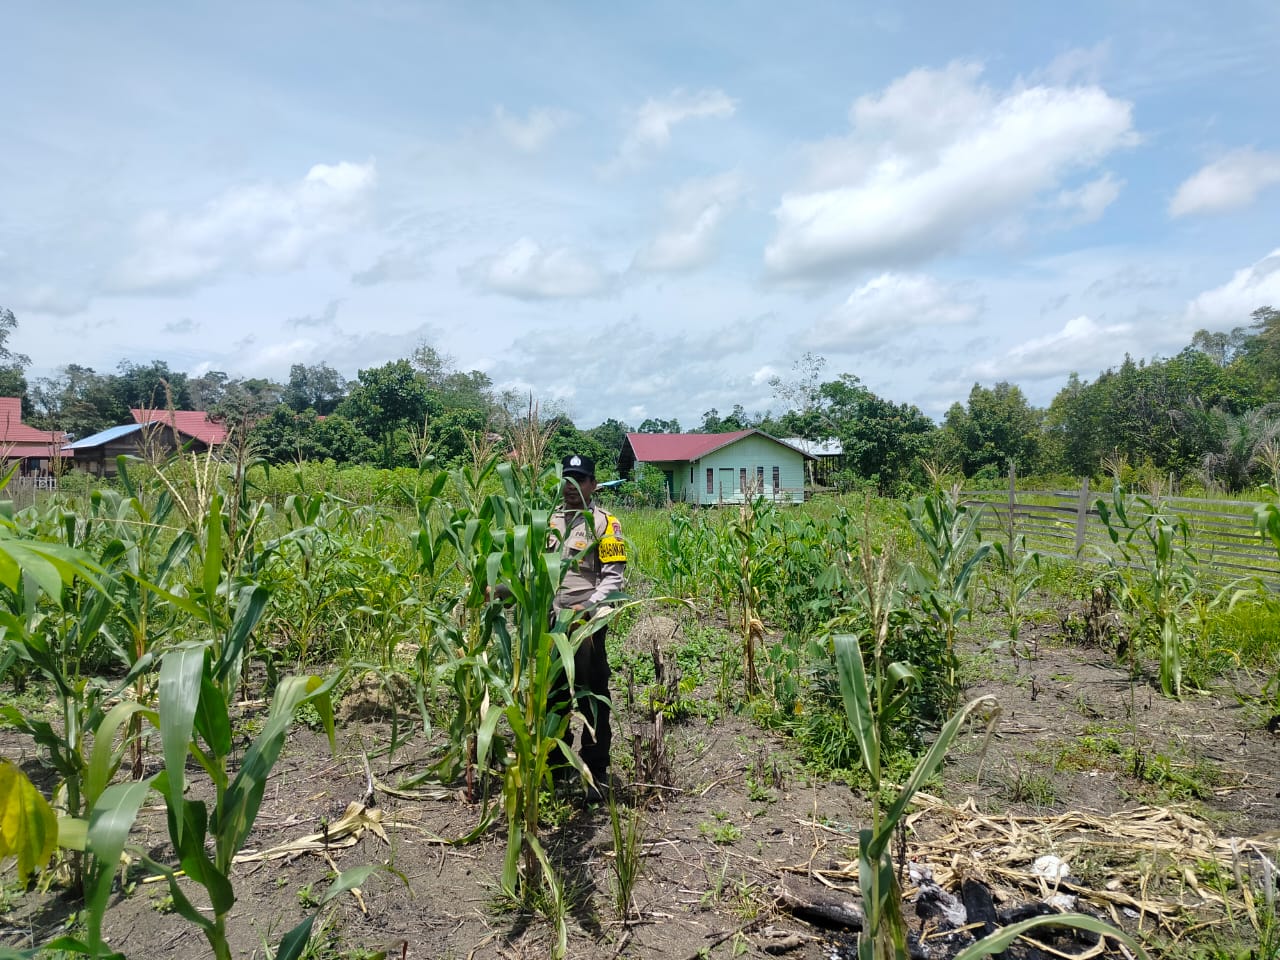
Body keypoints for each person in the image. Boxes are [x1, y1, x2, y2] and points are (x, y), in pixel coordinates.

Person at [551, 453, 626, 801]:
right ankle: (556, 766)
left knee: (592, 695)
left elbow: (613, 579)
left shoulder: (605, 524)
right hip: (550, 625)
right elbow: (531, 573)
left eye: (580, 480)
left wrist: (588, 607)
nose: (572, 487)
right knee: (553, 697)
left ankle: (596, 770)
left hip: (585, 626)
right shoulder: (546, 521)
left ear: (593, 484)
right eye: (567, 480)